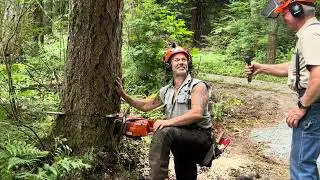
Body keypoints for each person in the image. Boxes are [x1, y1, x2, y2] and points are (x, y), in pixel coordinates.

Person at [116, 44, 213, 180]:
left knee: (163, 132)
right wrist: (124, 95)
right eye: (176, 60)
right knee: (185, 173)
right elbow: (145, 105)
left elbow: (197, 113)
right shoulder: (166, 90)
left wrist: (167, 122)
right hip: (180, 137)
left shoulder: (198, 86)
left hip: (199, 136)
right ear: (170, 65)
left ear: (188, 63)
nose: (180, 62)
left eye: (183, 60)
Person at [247, 0, 320, 179]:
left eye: (284, 13)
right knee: (304, 162)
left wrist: (302, 107)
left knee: (302, 165)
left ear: (297, 10)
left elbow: (318, 76)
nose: (282, 19)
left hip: (313, 104)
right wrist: (260, 67)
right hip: (314, 102)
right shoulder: (311, 33)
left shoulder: (311, 34)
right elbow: (295, 68)